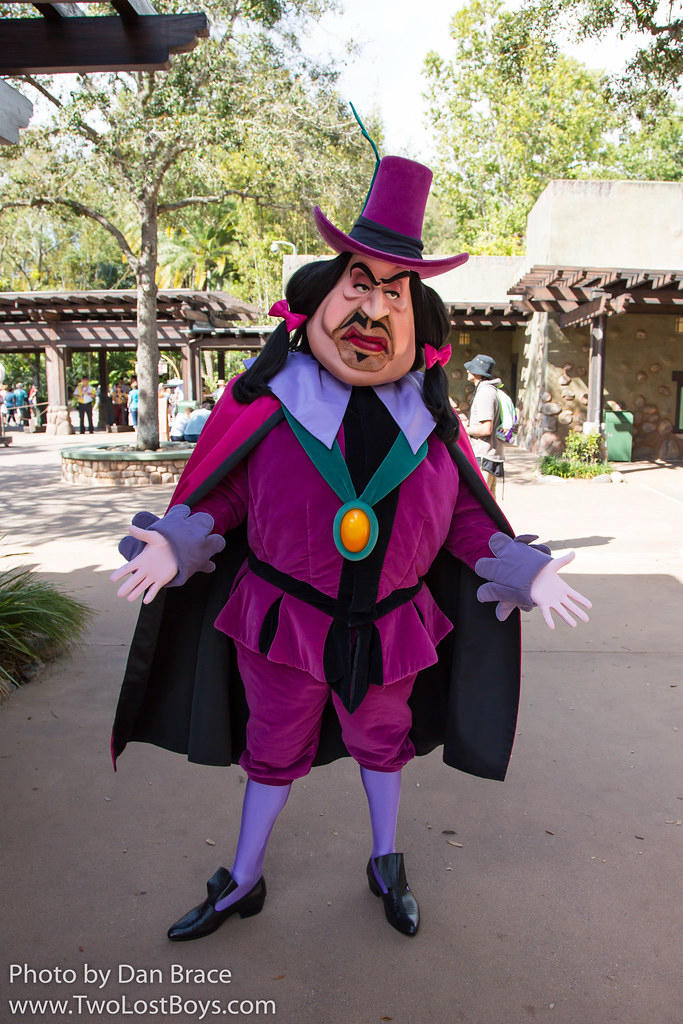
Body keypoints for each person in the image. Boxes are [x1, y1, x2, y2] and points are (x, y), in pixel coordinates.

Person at [111, 155, 590, 943]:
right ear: (316, 300)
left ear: (417, 323)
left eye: (394, 294)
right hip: (282, 626)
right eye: (358, 284)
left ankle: (384, 860)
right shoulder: (275, 409)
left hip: (391, 630)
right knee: (271, 751)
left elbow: (463, 523)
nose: (371, 308)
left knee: (383, 746)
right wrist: (177, 543)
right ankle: (243, 877)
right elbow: (225, 498)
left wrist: (522, 570)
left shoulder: (428, 429)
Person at [464, 354, 505, 497]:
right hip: (488, 455)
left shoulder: (485, 393)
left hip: (484, 456)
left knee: (480, 501)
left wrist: (465, 430)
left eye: (471, 368)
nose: (467, 371)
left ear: (478, 372)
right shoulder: (488, 390)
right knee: (488, 503)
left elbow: (486, 428)